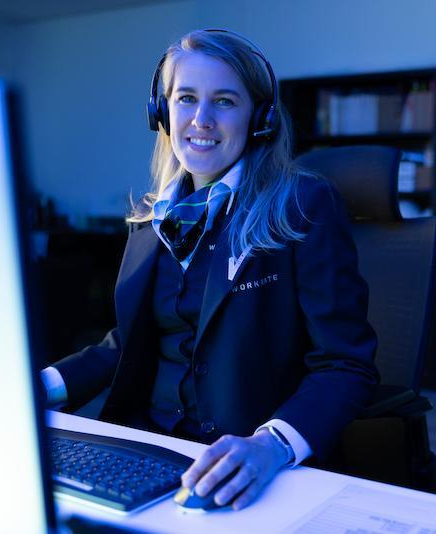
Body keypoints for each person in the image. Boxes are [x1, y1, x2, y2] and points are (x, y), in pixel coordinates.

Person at [40, 29, 378, 510]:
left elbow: (346, 364)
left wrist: (270, 446)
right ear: (162, 112)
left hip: (244, 462)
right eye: (185, 99)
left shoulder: (303, 205)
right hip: (145, 454)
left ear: (259, 118)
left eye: (224, 101)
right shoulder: (149, 220)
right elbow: (126, 344)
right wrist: (40, 387)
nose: (201, 119)